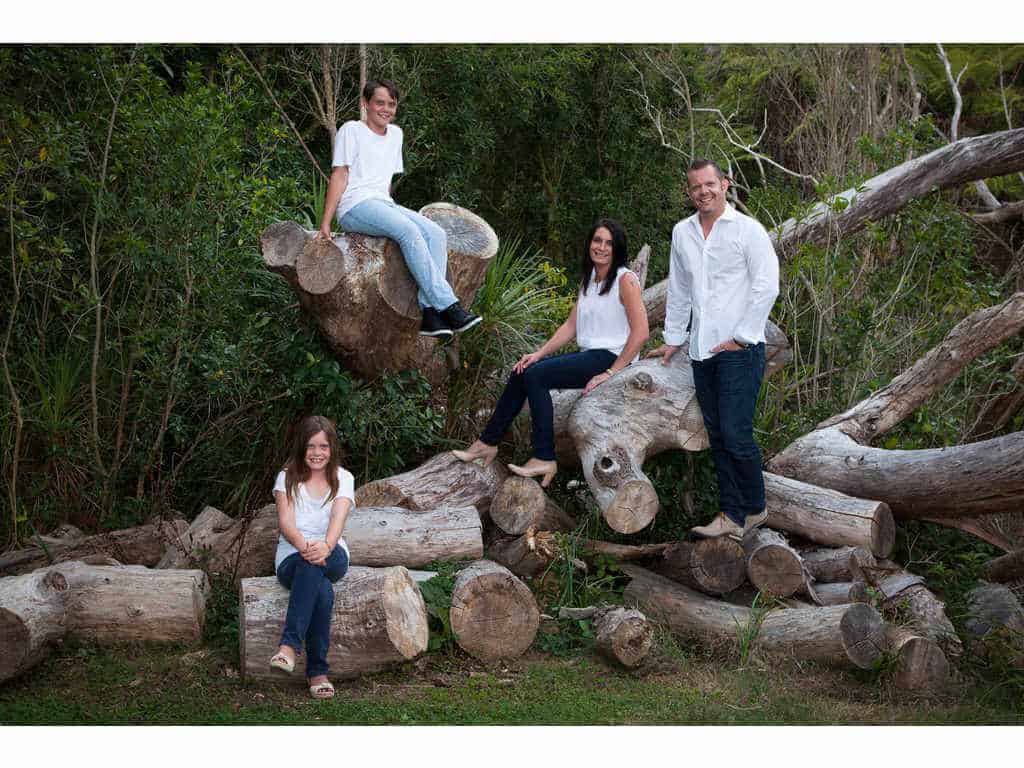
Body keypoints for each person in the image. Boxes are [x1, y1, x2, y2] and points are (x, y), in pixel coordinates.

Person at [453, 218, 649, 487]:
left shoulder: (625, 280)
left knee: (538, 377)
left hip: (613, 358)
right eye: (597, 240)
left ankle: (544, 456)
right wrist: (538, 353)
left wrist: (610, 372)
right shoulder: (590, 279)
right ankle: (487, 443)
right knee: (524, 370)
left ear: (617, 249)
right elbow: (570, 326)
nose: (601, 247)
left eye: (608, 243)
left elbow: (641, 333)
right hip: (592, 355)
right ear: (590, 243)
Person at [647, 159, 779, 539]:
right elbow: (679, 290)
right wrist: (674, 338)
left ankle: (752, 508)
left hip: (739, 351)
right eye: (695, 187)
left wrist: (743, 337)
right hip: (701, 351)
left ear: (725, 184)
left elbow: (767, 286)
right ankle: (735, 514)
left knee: (736, 434)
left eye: (709, 184)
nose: (703, 192)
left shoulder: (747, 230)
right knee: (718, 436)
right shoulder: (682, 232)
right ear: (689, 192)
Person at [316, 78, 480, 339]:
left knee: (435, 234)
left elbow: (384, 182)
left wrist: (391, 211)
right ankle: (449, 305)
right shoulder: (351, 130)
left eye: (391, 104)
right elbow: (340, 174)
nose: (386, 109)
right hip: (355, 206)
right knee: (408, 231)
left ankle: (430, 315)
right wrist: (326, 223)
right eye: (379, 103)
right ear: (365, 103)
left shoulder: (396, 135)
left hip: (382, 203)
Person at [268, 414, 354, 700]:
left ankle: (289, 647)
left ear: (332, 448)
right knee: (322, 590)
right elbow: (286, 523)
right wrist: (305, 547)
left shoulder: (344, 478)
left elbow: (338, 520)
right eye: (311, 446)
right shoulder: (286, 477)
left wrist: (326, 546)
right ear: (301, 447)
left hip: (333, 553)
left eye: (323, 446)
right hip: (292, 555)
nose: (317, 453)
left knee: (314, 566)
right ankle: (317, 672)